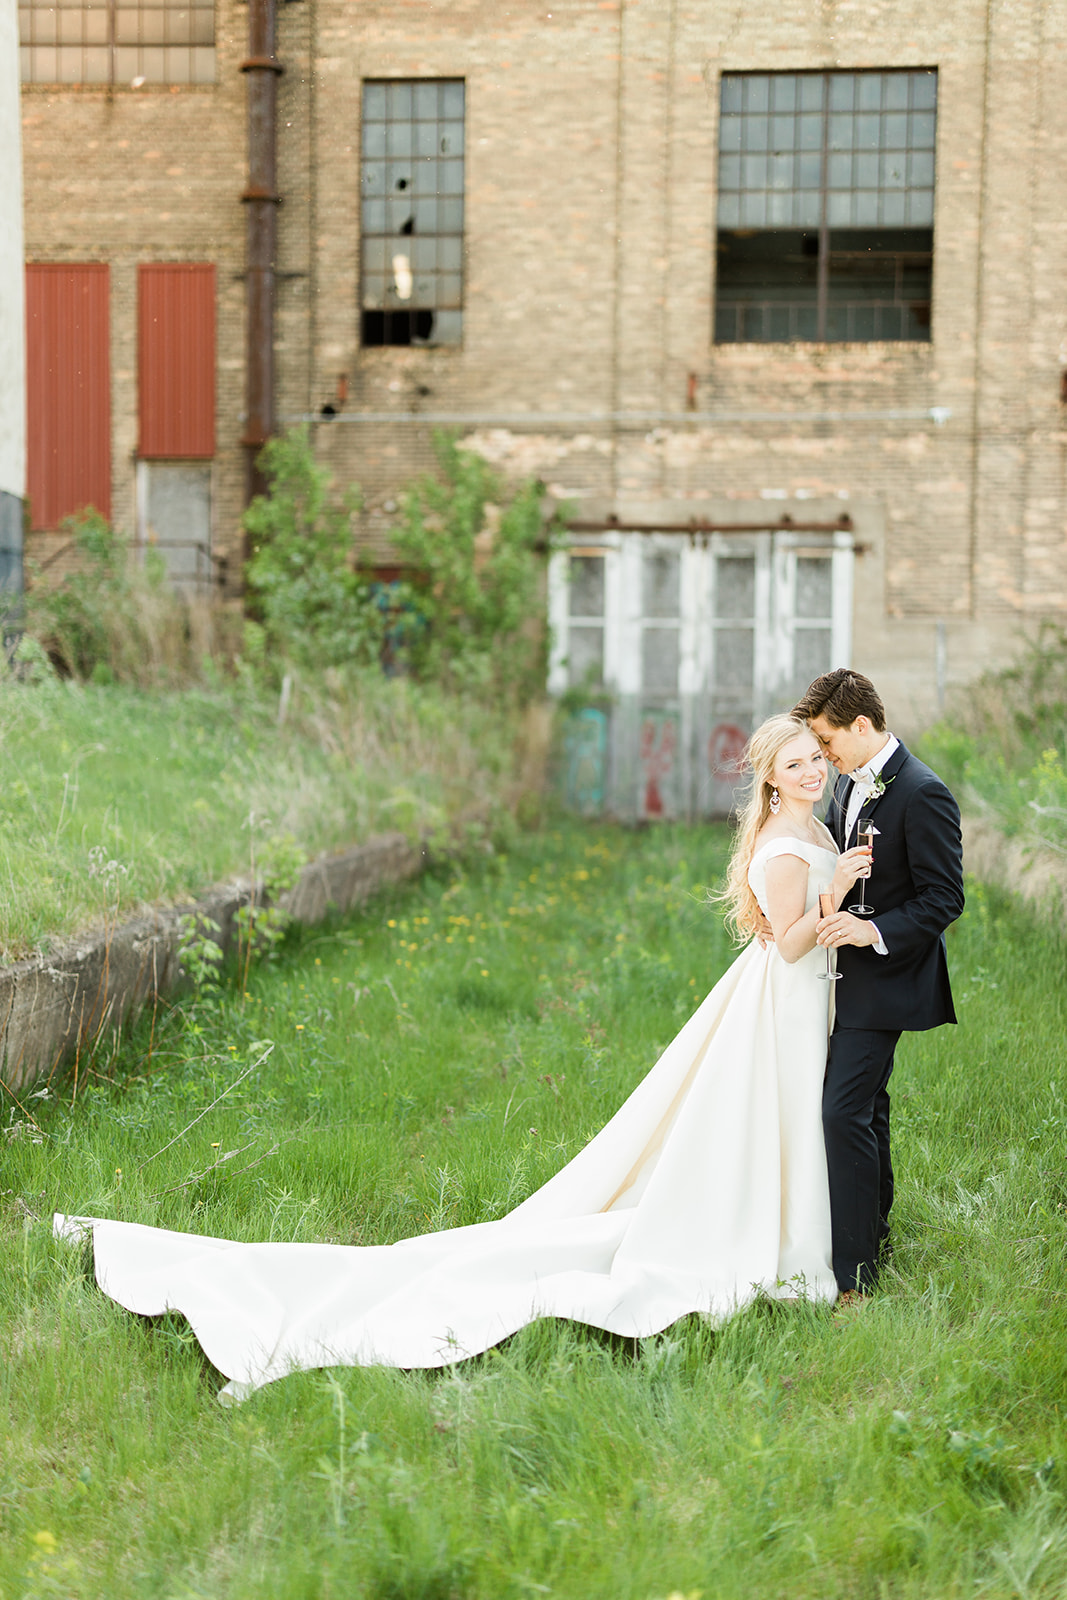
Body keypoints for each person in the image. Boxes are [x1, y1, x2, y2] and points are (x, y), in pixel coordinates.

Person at [55, 716, 870, 1402]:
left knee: (800, 1116)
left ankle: (802, 1235)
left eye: (812, 762)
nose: (807, 773)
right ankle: (783, 1245)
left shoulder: (811, 829)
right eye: (792, 765)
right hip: (785, 997)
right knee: (785, 1113)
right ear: (769, 780)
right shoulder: (786, 847)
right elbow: (792, 942)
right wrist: (837, 897)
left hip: (798, 1001)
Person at [792, 669, 965, 1300]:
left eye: (827, 741)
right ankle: (877, 1240)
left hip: (886, 980)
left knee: (841, 1112)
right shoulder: (846, 785)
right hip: (835, 979)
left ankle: (855, 1282)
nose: (824, 756)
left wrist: (872, 933)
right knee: (869, 1111)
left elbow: (945, 898)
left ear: (861, 726)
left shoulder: (924, 793)